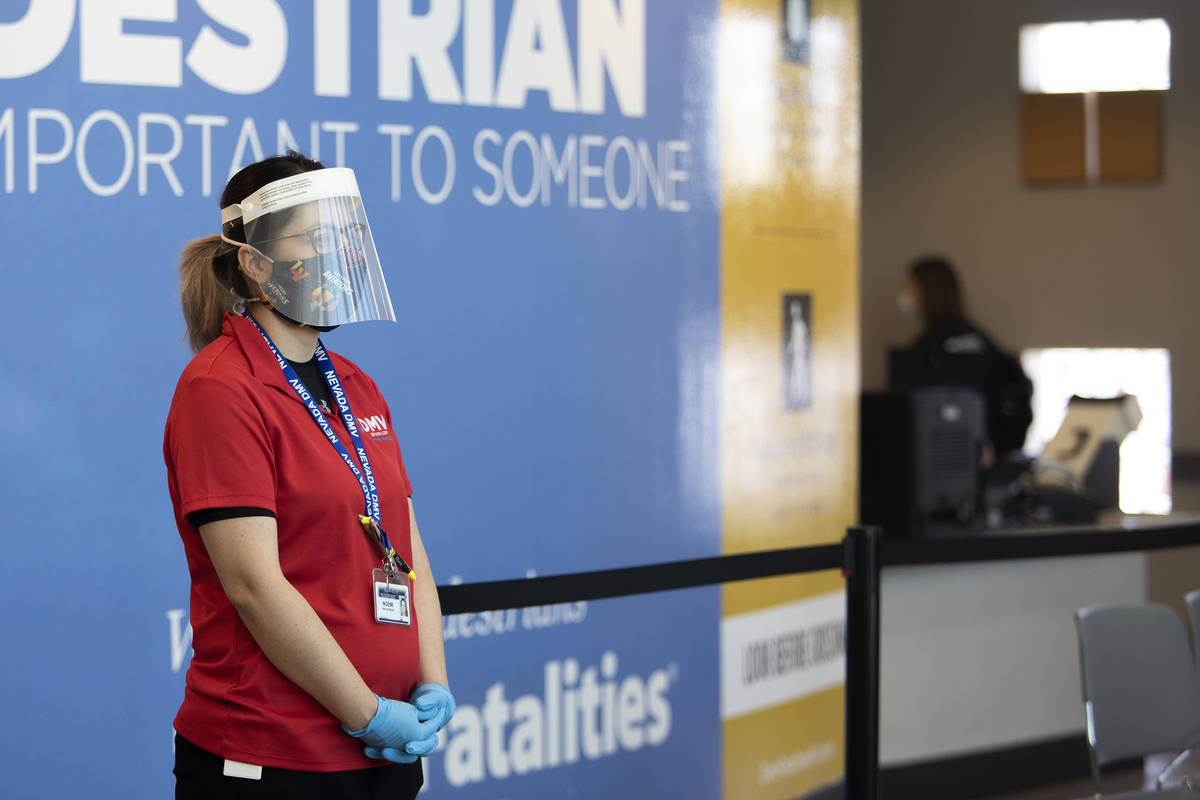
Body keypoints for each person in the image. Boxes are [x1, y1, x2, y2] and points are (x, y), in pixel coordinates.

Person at [164, 152, 454, 799]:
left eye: (343, 236)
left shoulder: (359, 387)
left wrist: (429, 681)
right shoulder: (221, 387)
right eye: (313, 239)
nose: (337, 254)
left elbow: (410, 558)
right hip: (274, 758)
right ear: (254, 260)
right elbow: (254, 587)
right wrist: (367, 712)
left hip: (384, 752)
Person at [894, 255, 1034, 462]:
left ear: (926, 292)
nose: (905, 297)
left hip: (947, 462)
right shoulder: (982, 339)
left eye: (909, 288)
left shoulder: (929, 346)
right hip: (989, 460)